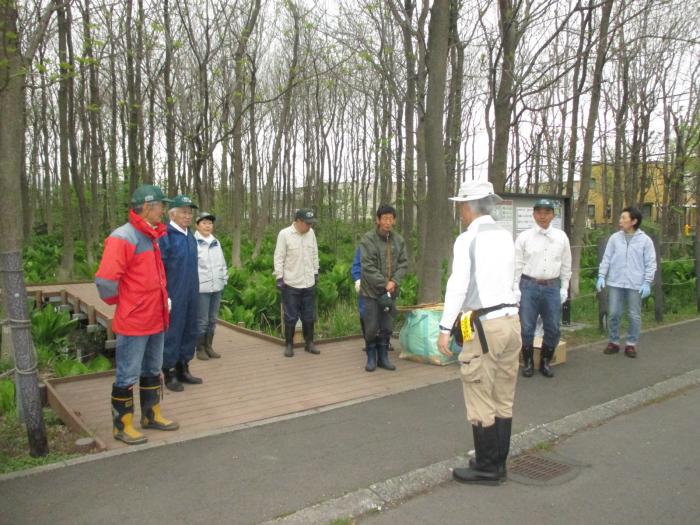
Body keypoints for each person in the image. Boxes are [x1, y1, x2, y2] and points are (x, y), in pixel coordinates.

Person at [436, 180, 521, 485]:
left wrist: (445, 328)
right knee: (503, 394)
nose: (460, 211)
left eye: (462, 205)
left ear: (470, 207)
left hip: (484, 326)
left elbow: (457, 286)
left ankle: (487, 467)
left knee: (479, 391)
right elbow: (515, 280)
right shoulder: (506, 236)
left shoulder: (467, 240)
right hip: (511, 321)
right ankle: (497, 461)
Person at [95, 184, 179, 445]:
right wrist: (127, 302)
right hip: (134, 320)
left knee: (153, 368)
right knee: (127, 373)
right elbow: (106, 281)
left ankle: (151, 415)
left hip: (156, 316)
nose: (163, 211)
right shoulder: (124, 236)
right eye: (160, 206)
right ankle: (123, 425)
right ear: (146, 207)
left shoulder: (152, 235)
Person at [513, 198, 572, 378]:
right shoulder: (524, 237)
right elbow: (517, 264)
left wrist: (565, 287)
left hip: (552, 286)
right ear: (533, 214)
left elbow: (566, 264)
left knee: (553, 326)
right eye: (539, 212)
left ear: (553, 215)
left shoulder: (561, 237)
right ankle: (529, 361)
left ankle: (545, 361)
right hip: (529, 285)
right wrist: (515, 287)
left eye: (547, 213)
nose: (542, 216)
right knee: (527, 326)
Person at [596, 206, 657, 358]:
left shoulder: (645, 240)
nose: (620, 221)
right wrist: (601, 275)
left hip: (635, 284)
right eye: (621, 218)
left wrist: (647, 282)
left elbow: (651, 262)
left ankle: (631, 344)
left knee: (634, 315)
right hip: (615, 282)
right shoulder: (614, 238)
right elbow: (607, 258)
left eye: (624, 218)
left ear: (634, 221)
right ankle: (614, 342)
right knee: (614, 313)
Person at [159, 194, 202, 391]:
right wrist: (164, 294)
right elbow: (160, 269)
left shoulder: (190, 237)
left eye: (190, 212)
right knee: (173, 331)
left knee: (189, 329)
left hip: (192, 291)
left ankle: (183, 366)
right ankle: (169, 371)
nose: (188, 216)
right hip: (174, 292)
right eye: (184, 212)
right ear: (172, 214)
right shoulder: (166, 237)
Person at [359, 204, 408, 372]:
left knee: (387, 326)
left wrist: (394, 281)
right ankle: (371, 357)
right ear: (378, 220)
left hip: (391, 291)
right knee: (371, 327)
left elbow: (403, 264)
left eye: (390, 218)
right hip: (371, 292)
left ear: (394, 220)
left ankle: (383, 357)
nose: (388, 222)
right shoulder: (368, 239)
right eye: (384, 218)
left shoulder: (398, 240)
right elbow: (368, 266)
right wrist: (384, 283)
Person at [274, 208, 320, 358]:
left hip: (308, 282)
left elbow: (314, 253)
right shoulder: (284, 234)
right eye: (307, 223)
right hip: (291, 282)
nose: (309, 226)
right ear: (298, 221)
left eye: (311, 224)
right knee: (290, 316)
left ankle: (309, 343)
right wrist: (279, 277)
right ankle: (289, 344)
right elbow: (279, 257)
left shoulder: (311, 233)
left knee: (309, 315)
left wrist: (316, 271)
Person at [194, 211, 229, 360]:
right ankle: (200, 348)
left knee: (213, 319)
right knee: (202, 321)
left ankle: (209, 347)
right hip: (202, 288)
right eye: (204, 223)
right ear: (197, 225)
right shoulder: (193, 242)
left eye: (210, 223)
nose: (208, 226)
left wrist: (224, 279)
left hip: (217, 286)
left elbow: (222, 263)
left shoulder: (216, 242)